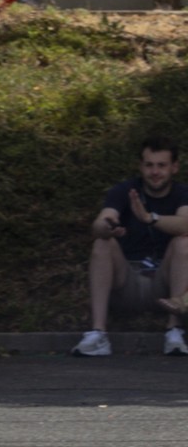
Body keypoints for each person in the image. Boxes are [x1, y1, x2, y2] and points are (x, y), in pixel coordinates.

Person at [74, 136, 188, 358]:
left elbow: (185, 223)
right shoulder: (125, 191)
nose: (155, 172)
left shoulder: (182, 193)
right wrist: (107, 227)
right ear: (141, 166)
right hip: (128, 280)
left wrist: (149, 218)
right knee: (101, 243)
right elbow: (100, 223)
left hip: (165, 283)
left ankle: (174, 331)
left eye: (161, 165)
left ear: (174, 167)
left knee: (185, 241)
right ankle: (98, 333)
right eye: (149, 165)